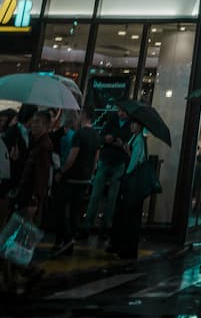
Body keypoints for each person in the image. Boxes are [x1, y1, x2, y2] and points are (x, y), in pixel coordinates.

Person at [52, 106, 100, 256]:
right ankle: (70, 239)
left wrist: (62, 171)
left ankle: (64, 238)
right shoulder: (96, 135)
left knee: (59, 207)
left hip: (72, 178)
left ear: (84, 115)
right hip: (84, 179)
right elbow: (95, 160)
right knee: (75, 211)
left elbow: (72, 157)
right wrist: (90, 176)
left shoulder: (79, 134)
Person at [82, 107, 130, 238]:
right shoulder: (111, 121)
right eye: (119, 111)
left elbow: (128, 144)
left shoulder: (130, 125)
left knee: (112, 197)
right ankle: (87, 225)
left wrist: (122, 144)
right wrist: (106, 139)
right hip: (106, 159)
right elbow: (101, 138)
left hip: (119, 162)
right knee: (96, 194)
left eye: (123, 111)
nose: (120, 113)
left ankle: (105, 228)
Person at [107, 118, 149, 260]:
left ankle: (128, 249)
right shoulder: (135, 138)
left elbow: (134, 163)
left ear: (140, 125)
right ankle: (123, 246)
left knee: (130, 217)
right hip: (131, 182)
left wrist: (126, 178)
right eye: (131, 123)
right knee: (126, 215)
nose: (131, 126)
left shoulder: (139, 142)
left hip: (132, 183)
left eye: (134, 123)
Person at [14, 110, 54, 227]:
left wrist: (34, 199)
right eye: (33, 122)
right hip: (26, 193)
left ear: (46, 126)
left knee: (25, 230)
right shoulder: (35, 141)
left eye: (38, 122)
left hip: (31, 197)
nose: (34, 125)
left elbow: (42, 175)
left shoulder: (44, 146)